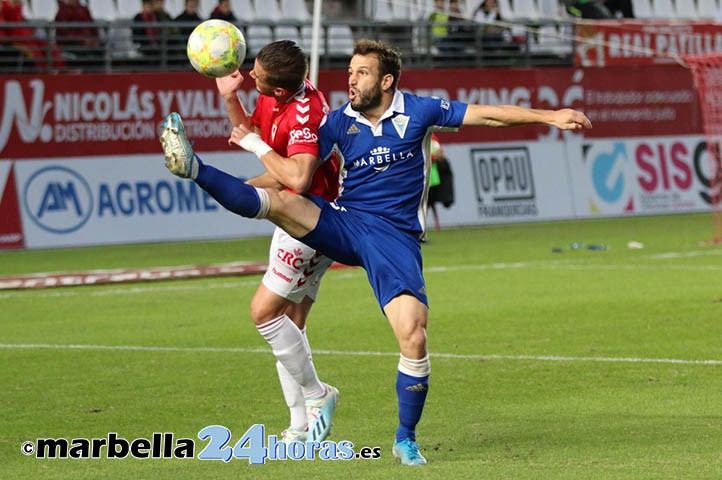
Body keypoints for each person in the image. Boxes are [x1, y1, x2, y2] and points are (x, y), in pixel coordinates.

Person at [159, 39, 592, 465]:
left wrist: (549, 116)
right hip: (345, 221)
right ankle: (195, 169)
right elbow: (292, 176)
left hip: (393, 237)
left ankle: (405, 439)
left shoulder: (420, 111)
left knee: (413, 333)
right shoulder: (336, 123)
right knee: (285, 204)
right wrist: (227, 179)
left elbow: (488, 116)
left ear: (386, 81)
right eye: (349, 72)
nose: (350, 80)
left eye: (360, 73)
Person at [212, 40, 341, 443]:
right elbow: (251, 132)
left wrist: (255, 147)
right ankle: (300, 426)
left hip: (311, 219)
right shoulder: (278, 97)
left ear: (280, 90)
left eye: (257, 77)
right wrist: (230, 98)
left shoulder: (306, 113)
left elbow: (299, 176)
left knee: (265, 313)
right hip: (294, 212)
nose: (250, 75)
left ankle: (319, 394)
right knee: (293, 327)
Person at [54, 0, 101, 68]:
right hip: (72, 45)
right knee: (85, 55)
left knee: (100, 51)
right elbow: (64, 33)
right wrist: (82, 40)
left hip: (88, 44)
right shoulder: (63, 11)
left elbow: (93, 27)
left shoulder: (84, 9)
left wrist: (95, 40)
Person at [427, 134, 454, 232]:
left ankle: (436, 223)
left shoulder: (433, 138)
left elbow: (440, 152)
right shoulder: (420, 136)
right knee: (425, 202)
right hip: (423, 174)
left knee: (431, 201)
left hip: (433, 174)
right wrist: (434, 157)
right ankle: (423, 224)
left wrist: (437, 156)